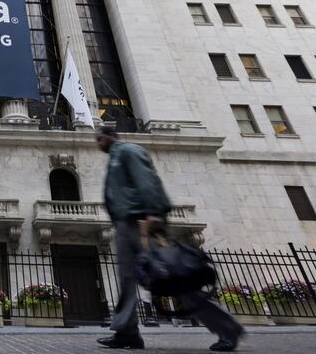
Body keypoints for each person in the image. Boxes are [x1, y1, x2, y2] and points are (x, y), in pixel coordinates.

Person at [95, 126, 244, 352]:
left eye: (100, 139)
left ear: (110, 137)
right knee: (126, 282)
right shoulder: (115, 158)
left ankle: (227, 329)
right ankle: (127, 333)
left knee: (172, 278)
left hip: (141, 223)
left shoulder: (128, 151)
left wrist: (154, 212)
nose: (98, 144)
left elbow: (147, 180)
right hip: (125, 226)